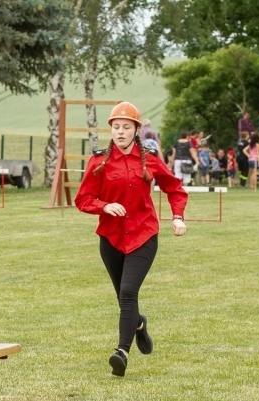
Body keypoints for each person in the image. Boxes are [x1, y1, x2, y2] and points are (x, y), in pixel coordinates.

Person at [74, 101, 188, 377]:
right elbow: (83, 199)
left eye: (126, 127)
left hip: (143, 234)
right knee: (124, 298)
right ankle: (138, 324)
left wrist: (177, 216)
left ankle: (121, 353)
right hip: (111, 238)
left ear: (136, 130)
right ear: (110, 130)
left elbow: (174, 188)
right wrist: (104, 205)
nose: (120, 132)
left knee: (128, 292)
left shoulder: (149, 158)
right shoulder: (98, 161)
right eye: (116, 127)